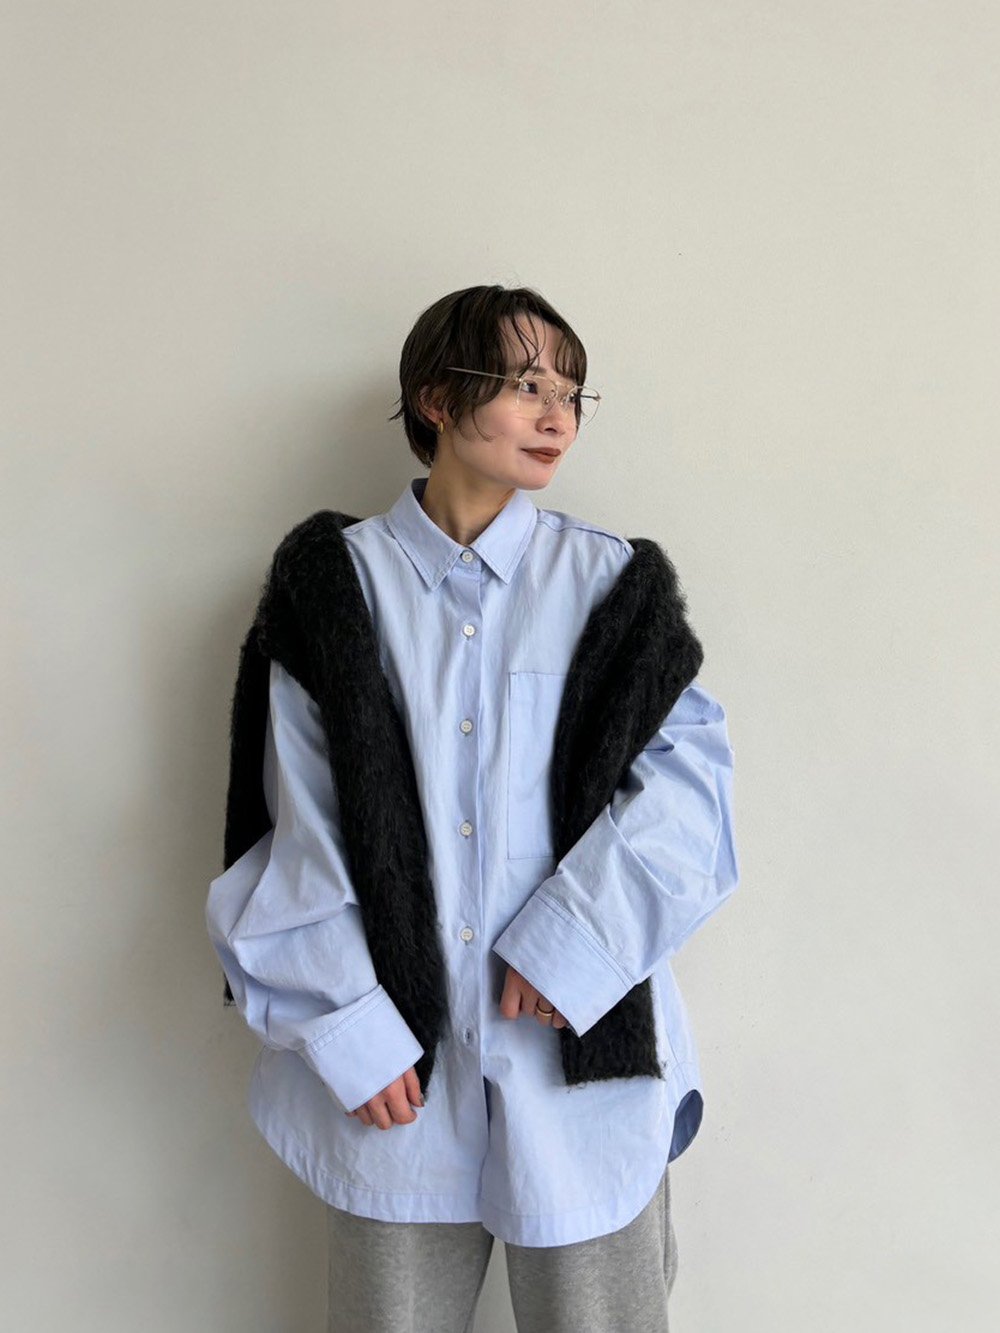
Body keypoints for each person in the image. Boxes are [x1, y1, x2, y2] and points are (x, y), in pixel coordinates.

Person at [206, 283, 740, 1332]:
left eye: (573, 393)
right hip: (396, 1078)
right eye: (527, 385)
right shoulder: (334, 591)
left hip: (580, 1063)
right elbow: (292, 828)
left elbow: (689, 801)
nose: (557, 415)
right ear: (438, 397)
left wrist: (571, 948)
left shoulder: (612, 585)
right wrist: (350, 1029)